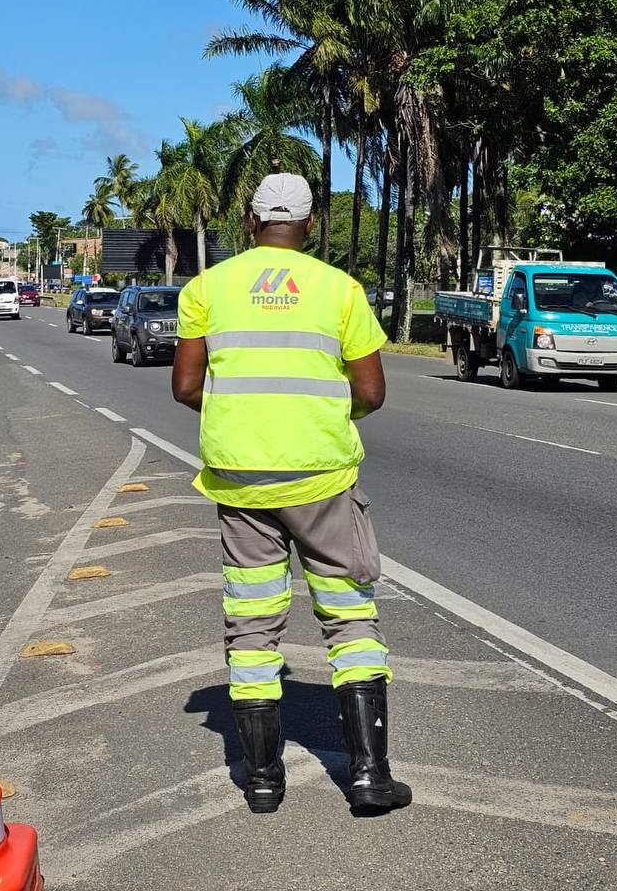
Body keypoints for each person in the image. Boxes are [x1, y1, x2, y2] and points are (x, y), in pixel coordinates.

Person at [172, 172, 411, 817]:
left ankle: (262, 782)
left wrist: (244, 416)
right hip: (323, 480)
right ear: (310, 228)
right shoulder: (339, 289)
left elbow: (186, 386)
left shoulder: (207, 289)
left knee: (253, 622)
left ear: (250, 225)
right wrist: (324, 414)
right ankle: (368, 776)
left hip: (241, 481)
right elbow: (372, 391)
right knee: (350, 620)